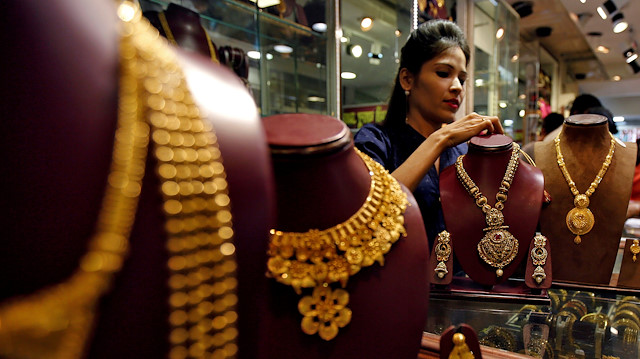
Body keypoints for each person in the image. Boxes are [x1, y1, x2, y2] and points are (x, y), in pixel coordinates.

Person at [353, 19, 503, 246]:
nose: (457, 87)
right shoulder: (375, 141)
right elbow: (372, 213)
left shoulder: (464, 152)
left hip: (461, 279)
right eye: (443, 73)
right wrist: (441, 139)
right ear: (407, 79)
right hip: (399, 277)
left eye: (462, 79)